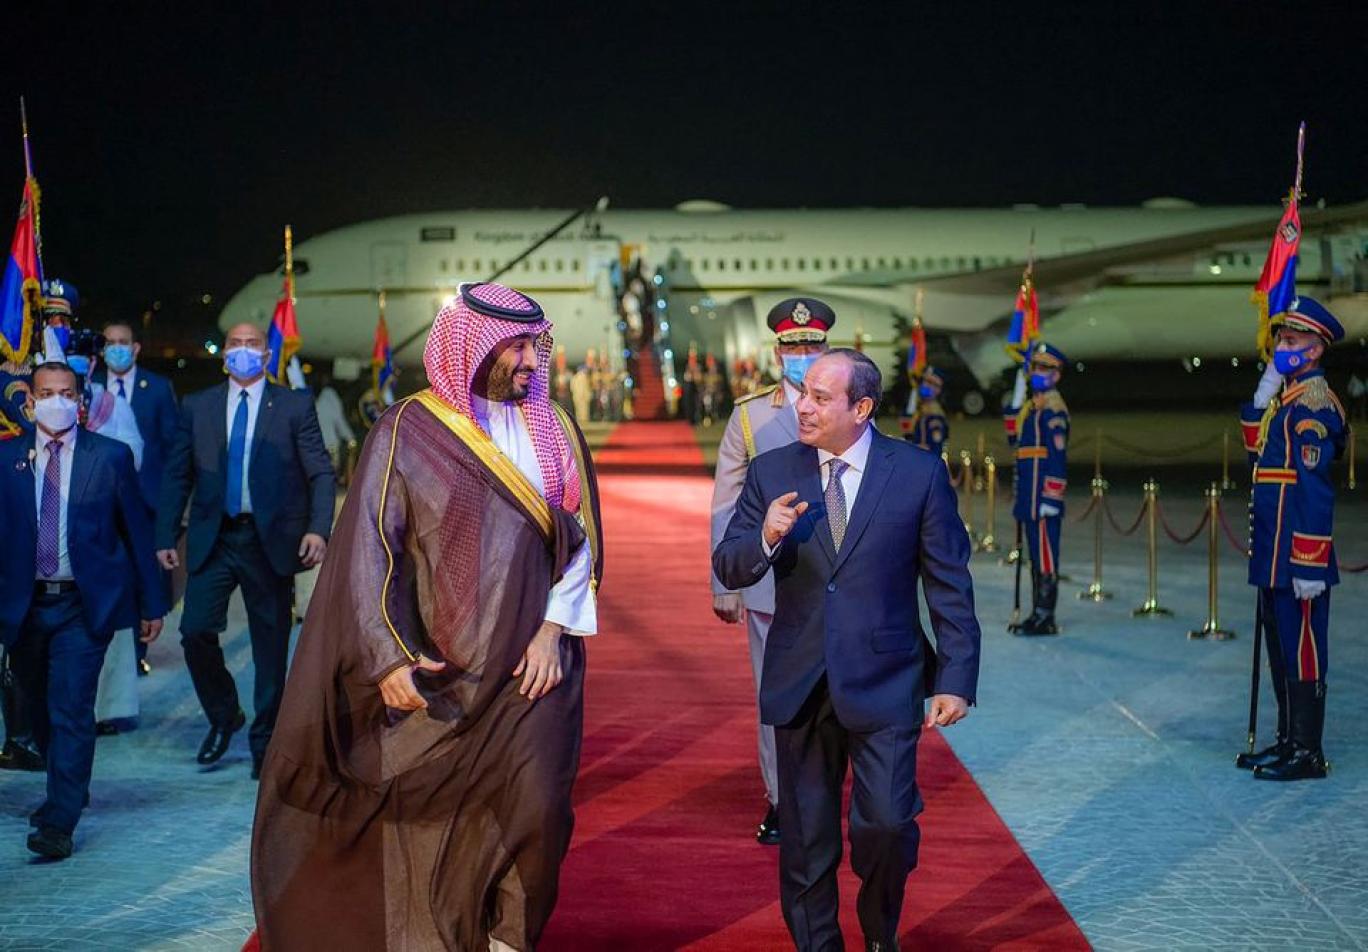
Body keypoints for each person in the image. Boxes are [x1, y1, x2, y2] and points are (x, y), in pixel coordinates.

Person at [249, 282, 603, 951]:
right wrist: (387, 656)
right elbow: (369, 549)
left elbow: (581, 541)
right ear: (475, 347)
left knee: (539, 809)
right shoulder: (408, 429)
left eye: (536, 345)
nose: (532, 361)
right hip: (445, 668)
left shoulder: (554, 427)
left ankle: (510, 939)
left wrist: (553, 631)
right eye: (518, 347)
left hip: (536, 667)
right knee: (445, 817)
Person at [713, 349, 981, 951]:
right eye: (803, 394)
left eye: (819, 398)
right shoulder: (773, 470)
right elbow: (729, 563)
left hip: (888, 679)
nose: (802, 407)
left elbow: (948, 583)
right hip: (801, 682)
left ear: (861, 408)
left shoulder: (917, 473)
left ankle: (881, 933)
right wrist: (765, 536)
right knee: (807, 842)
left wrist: (956, 677)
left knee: (886, 824)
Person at [0, 362, 166, 858]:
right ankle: (67, 784)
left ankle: (59, 820)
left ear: (79, 400)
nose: (57, 401)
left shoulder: (109, 457)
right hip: (24, 606)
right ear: (30, 401)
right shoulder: (7, 458)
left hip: (82, 605)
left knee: (71, 707)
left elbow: (136, 532)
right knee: (36, 708)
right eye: (47, 393)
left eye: (66, 393)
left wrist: (152, 603)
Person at [156, 322, 334, 779]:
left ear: (266, 355)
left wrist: (318, 529)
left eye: (252, 344)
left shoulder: (293, 405)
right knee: (194, 630)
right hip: (214, 537)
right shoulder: (198, 406)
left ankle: (265, 742)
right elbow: (178, 474)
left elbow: (319, 472)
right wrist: (165, 535)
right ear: (223, 355)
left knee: (269, 649)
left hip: (269, 541)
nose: (243, 351)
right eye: (234, 344)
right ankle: (224, 714)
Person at [710, 295, 835, 847]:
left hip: (834, 578)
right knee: (775, 695)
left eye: (812, 345)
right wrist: (726, 582)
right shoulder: (751, 415)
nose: (803, 354)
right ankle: (782, 799)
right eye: (794, 346)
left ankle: (826, 791)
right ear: (778, 352)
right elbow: (726, 503)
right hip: (770, 582)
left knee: (836, 692)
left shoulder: (847, 405)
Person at [1237, 297, 1346, 781]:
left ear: (1315, 349)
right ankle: (1286, 739)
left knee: (1303, 650)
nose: (1281, 347)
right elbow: (1255, 450)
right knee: (1281, 646)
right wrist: (1265, 388)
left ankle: (1307, 750)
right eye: (1281, 339)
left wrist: (1308, 561)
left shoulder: (1313, 408)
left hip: (1296, 554)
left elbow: (1315, 492)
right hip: (1273, 550)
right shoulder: (1286, 402)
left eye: (1292, 340)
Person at [94, 320, 178, 678]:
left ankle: (139, 649)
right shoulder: (90, 387)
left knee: (145, 573)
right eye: (110, 342)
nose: (116, 347)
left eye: (123, 341)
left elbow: (172, 448)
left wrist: (170, 502)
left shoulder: (157, 388)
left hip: (146, 500)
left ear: (136, 347)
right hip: (102, 500)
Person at [1007, 342, 1070, 635]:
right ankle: (1037, 613)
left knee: (1045, 558)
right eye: (1034, 367)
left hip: (1042, 499)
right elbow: (1013, 436)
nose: (1036, 373)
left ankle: (1045, 616)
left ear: (1056, 375)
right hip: (1029, 499)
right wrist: (1018, 390)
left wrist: (1051, 497)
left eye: (1044, 368)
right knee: (1036, 557)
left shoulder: (1053, 412)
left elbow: (1056, 458)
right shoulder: (1033, 410)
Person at [312, 373, 357, 483]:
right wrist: (350, 438)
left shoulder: (315, 403)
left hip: (315, 446)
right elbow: (339, 422)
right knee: (330, 477)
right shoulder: (331, 400)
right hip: (330, 447)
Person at [903, 365, 950, 457]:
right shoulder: (921, 411)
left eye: (931, 383)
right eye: (924, 381)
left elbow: (934, 450)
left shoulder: (935, 416)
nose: (925, 385)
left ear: (938, 390)